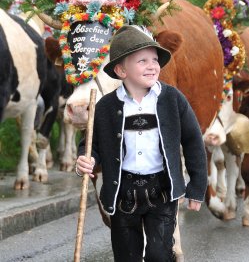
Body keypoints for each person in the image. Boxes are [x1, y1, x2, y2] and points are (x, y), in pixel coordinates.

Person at [76, 25, 208, 262]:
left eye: (155, 59)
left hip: (162, 191)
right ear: (120, 70)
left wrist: (197, 187)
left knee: (159, 255)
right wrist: (85, 160)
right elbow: (90, 143)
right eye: (142, 61)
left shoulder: (172, 99)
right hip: (122, 193)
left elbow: (193, 141)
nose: (152, 66)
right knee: (127, 256)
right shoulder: (105, 107)